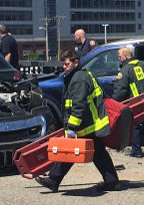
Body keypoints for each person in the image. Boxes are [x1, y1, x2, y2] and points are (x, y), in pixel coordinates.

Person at [36, 51, 121, 192]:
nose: (64, 67)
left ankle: (53, 180)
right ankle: (112, 182)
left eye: (67, 64)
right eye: (63, 64)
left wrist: (72, 127)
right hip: (91, 122)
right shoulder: (82, 75)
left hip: (85, 124)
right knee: (98, 153)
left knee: (69, 151)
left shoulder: (79, 79)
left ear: (76, 62)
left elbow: (78, 105)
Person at [113, 47, 144, 157]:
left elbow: (121, 90)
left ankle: (136, 151)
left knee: (135, 125)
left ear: (125, 56)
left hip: (137, 102)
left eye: (120, 56)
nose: (119, 58)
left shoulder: (125, 70)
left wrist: (114, 102)